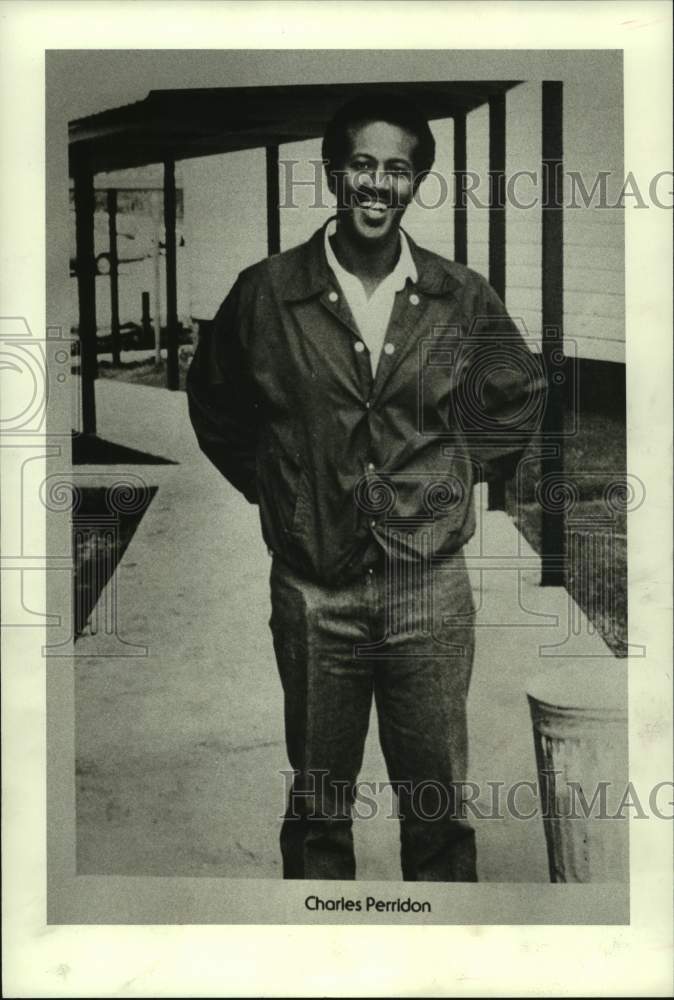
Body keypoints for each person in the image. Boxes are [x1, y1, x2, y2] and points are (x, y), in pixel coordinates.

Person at [187, 94, 544, 882]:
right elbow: (215, 405)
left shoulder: (459, 294)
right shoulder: (268, 292)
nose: (377, 185)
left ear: (416, 181)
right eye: (362, 165)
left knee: (438, 809)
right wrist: (283, 491)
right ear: (333, 172)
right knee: (318, 809)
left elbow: (515, 397)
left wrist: (454, 480)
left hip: (429, 591)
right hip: (316, 594)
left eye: (398, 169)